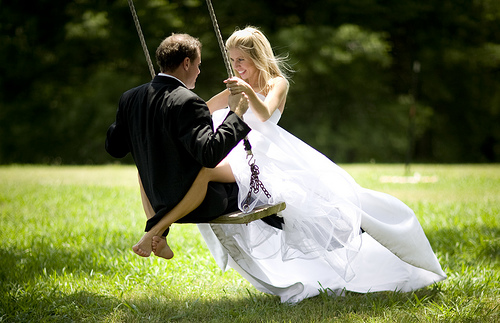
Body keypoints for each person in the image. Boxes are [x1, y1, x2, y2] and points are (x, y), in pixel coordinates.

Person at [141, 27, 447, 303]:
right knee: (181, 170)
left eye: (241, 60)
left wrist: (246, 93)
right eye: (232, 60)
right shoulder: (235, 87)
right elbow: (200, 110)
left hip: (257, 160)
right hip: (232, 152)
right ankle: (160, 232)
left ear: (257, 57)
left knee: (208, 173)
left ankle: (158, 228)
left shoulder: (277, 83)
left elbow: (263, 114)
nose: (236, 67)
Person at [105, 33, 252, 260]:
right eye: (198, 64)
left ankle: (159, 232)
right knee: (254, 186)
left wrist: (130, 120)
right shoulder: (188, 101)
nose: (199, 71)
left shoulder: (130, 98)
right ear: (186, 63)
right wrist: (236, 114)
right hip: (199, 203)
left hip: (156, 202)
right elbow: (209, 155)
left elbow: (115, 148)